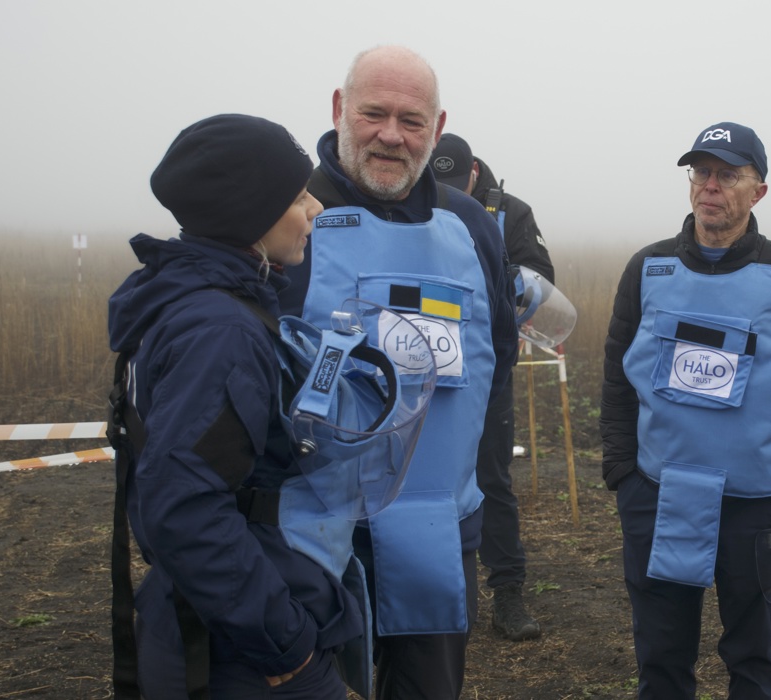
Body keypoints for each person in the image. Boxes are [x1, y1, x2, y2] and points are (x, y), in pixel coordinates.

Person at [279, 46, 518, 699]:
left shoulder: (470, 225)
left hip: (437, 529)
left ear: (437, 130)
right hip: (314, 535)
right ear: (338, 110)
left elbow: (496, 357)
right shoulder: (289, 215)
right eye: (374, 114)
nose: (391, 135)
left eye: (411, 121)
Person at [106, 114, 352, 697]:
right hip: (236, 653)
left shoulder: (181, 299)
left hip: (201, 618)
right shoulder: (222, 330)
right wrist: (286, 646)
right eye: (297, 196)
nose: (315, 208)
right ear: (251, 215)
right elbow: (185, 507)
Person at [600, 122, 771, 699]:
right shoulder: (648, 268)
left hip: (752, 506)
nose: (711, 186)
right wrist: (623, 474)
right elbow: (617, 376)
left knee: (753, 658)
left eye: (728, 175)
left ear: (759, 191)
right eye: (702, 173)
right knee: (661, 659)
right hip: (658, 493)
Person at [429, 133, 552, 641]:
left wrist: (503, 282)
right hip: (423, 363)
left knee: (492, 478)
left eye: (457, 185)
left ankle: (508, 594)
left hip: (486, 367)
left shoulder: (512, 213)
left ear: (474, 173)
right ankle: (435, 590)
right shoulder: (411, 200)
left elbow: (542, 275)